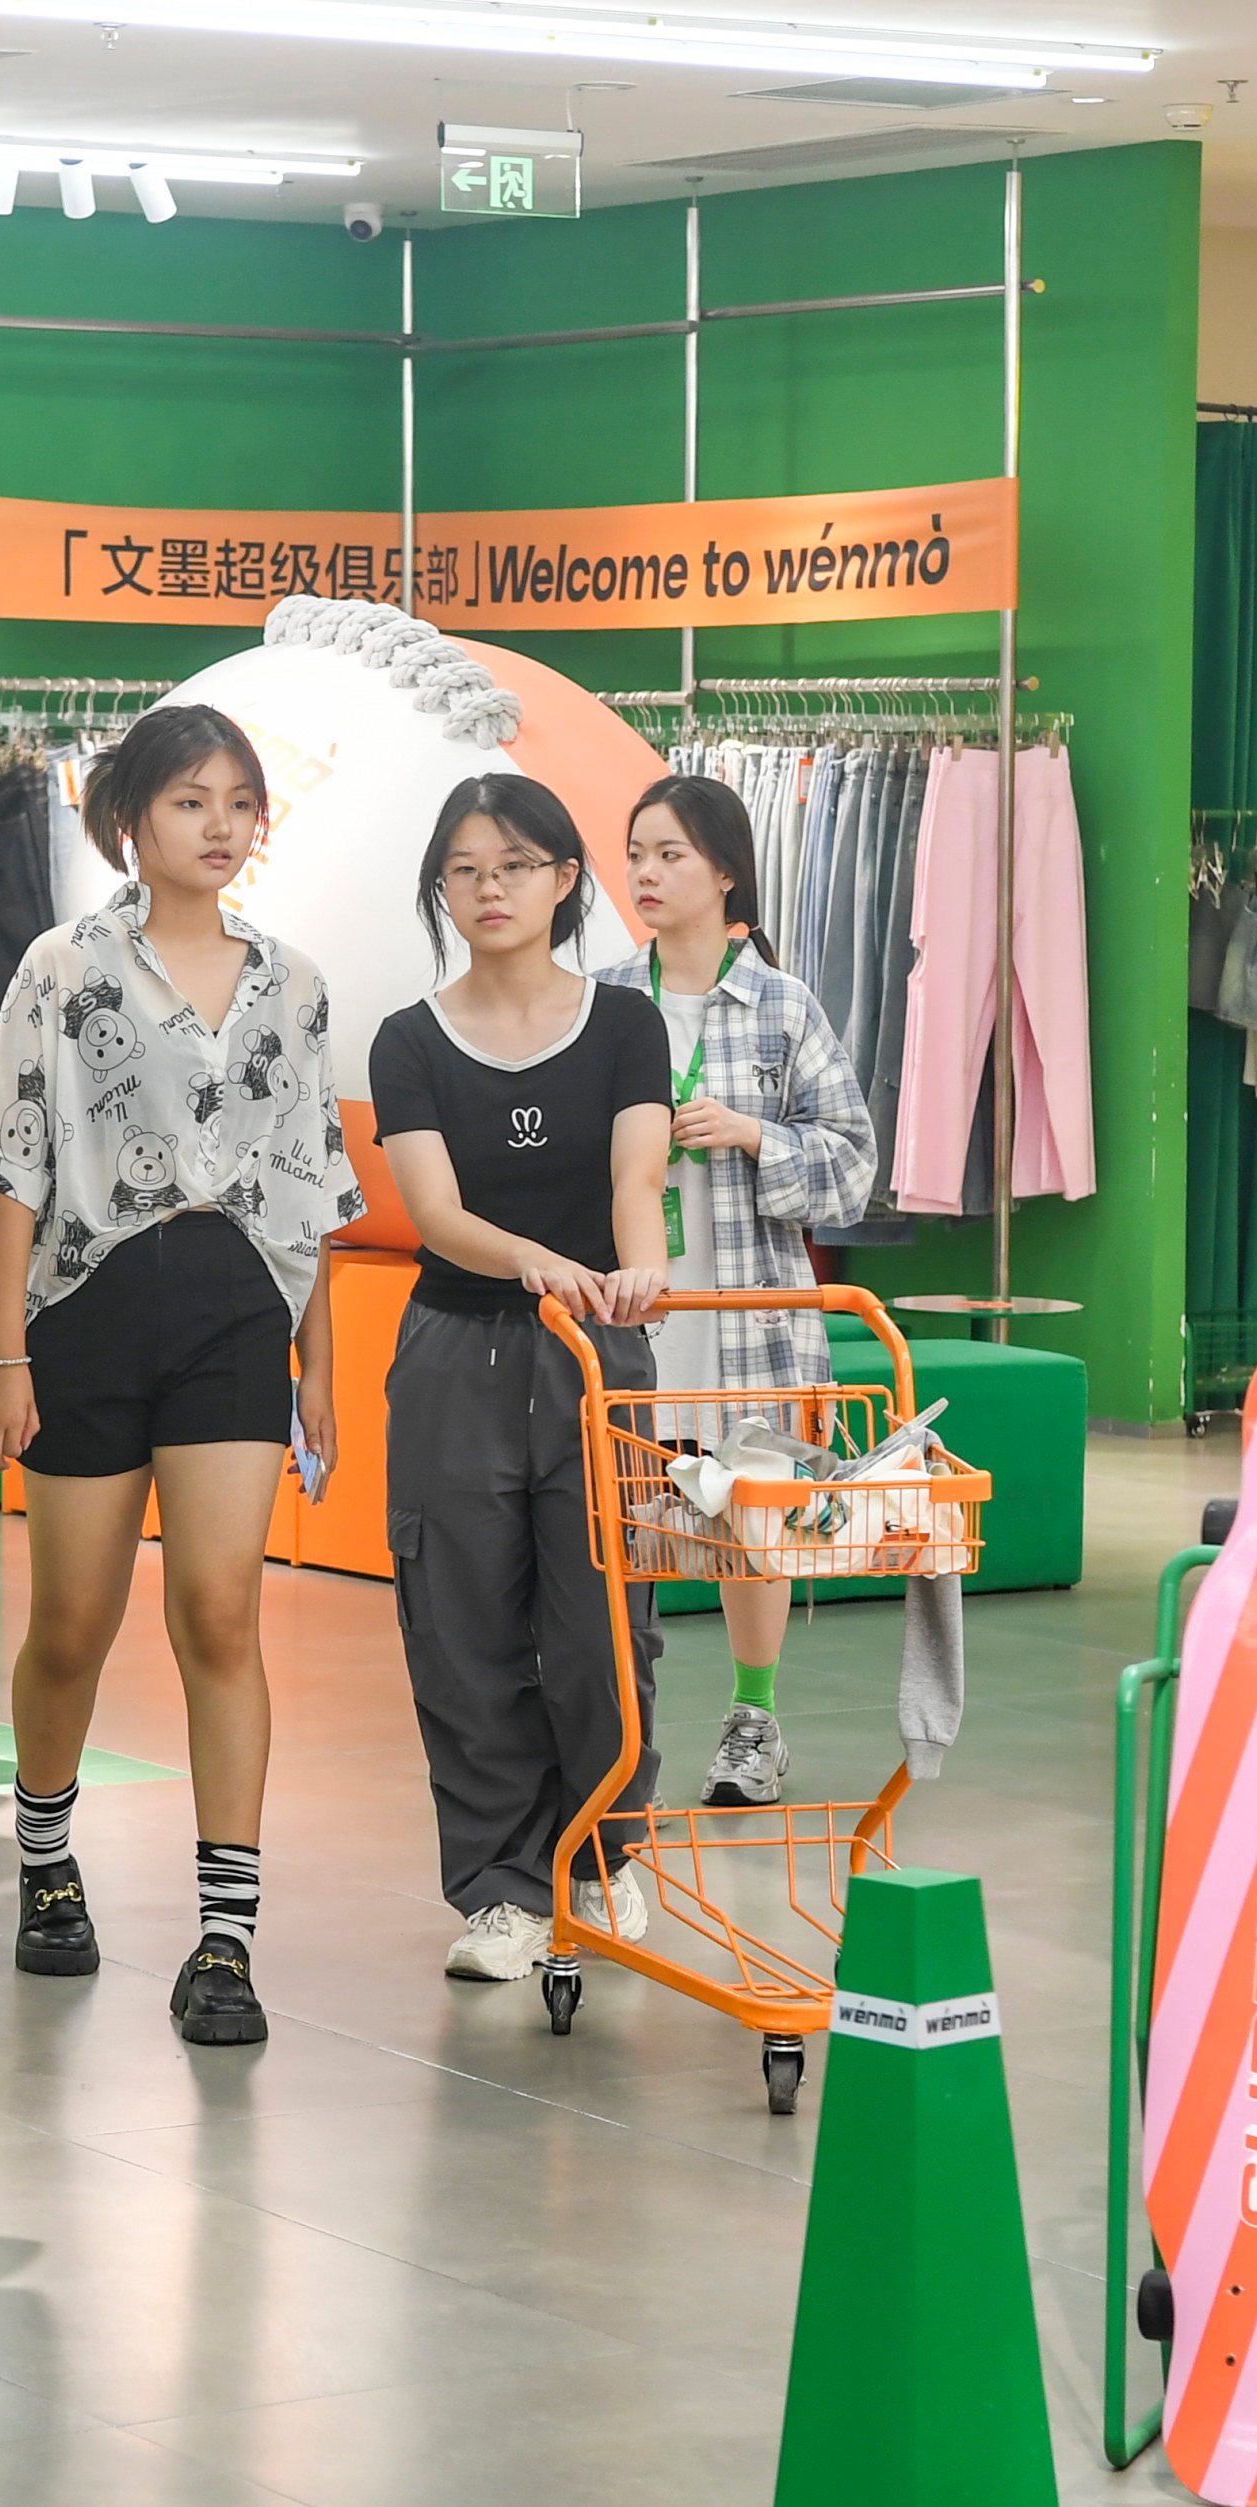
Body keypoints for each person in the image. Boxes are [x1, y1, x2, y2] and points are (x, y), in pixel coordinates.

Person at [0, 704, 360, 2050]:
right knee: (72, 1621)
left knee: (218, 1612)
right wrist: (1, 1347)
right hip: (82, 1311)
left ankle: (225, 1938)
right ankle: (44, 1854)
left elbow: (312, 1185)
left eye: (241, 800)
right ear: (129, 814)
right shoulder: (60, 966)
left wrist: (316, 1363)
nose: (222, 824)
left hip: (235, 1312)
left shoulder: (294, 985)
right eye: (191, 799)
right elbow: (10, 1160)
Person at [369, 774, 675, 1983]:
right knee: (461, 1625)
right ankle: (500, 1888)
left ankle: (603, 1858)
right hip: (458, 1350)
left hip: (600, 1350)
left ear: (564, 880)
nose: (491, 889)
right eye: (465, 869)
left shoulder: (625, 1023)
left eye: (517, 864)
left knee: (607, 1621)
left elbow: (637, 1180)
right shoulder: (409, 1039)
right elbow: (435, 1212)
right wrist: (538, 1262)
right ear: (441, 889)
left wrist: (635, 1271)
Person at [599, 776, 877, 1807]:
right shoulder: (601, 998)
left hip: (753, 1314)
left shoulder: (781, 1004)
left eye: (669, 853)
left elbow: (854, 1164)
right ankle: (619, 1723)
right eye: (636, 853)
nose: (646, 873)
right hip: (637, 1309)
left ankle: (753, 1724)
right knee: (626, 1514)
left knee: (754, 1523)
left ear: (724, 870)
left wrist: (756, 1134)